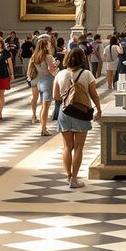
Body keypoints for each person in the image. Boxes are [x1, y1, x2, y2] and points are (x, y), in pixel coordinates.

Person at [52, 47, 102, 188]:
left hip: (65, 112)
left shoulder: (60, 74)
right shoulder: (86, 74)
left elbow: (55, 96)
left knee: (67, 147)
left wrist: (66, 98)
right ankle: (74, 178)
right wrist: (98, 109)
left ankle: (68, 177)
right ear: (82, 59)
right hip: (81, 112)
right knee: (79, 147)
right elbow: (94, 94)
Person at [28, 38, 58, 135]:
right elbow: (51, 70)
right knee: (45, 107)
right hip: (47, 81)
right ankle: (44, 129)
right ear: (46, 46)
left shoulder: (35, 56)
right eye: (48, 44)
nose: (50, 46)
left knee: (43, 106)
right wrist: (57, 69)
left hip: (39, 82)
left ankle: (43, 127)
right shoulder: (48, 56)